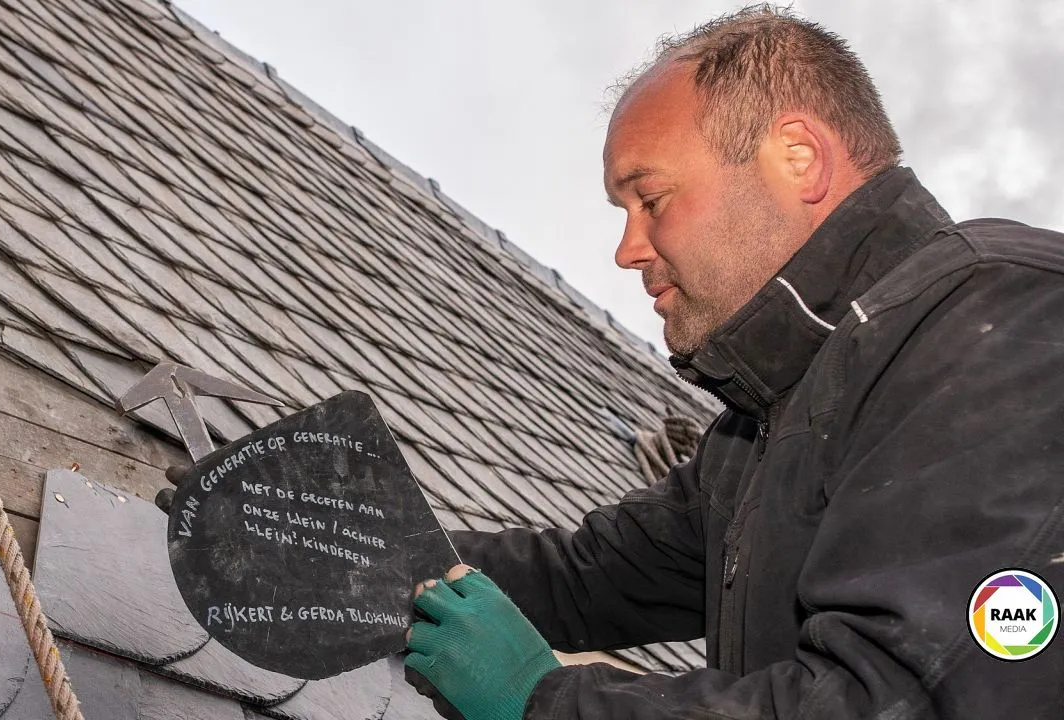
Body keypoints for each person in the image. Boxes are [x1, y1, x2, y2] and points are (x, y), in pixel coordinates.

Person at [399, 5, 1064, 720]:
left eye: (650, 199)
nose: (628, 249)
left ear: (798, 158)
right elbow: (584, 578)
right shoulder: (763, 430)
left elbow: (903, 700)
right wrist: (365, 556)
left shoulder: (1001, 320)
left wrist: (544, 702)